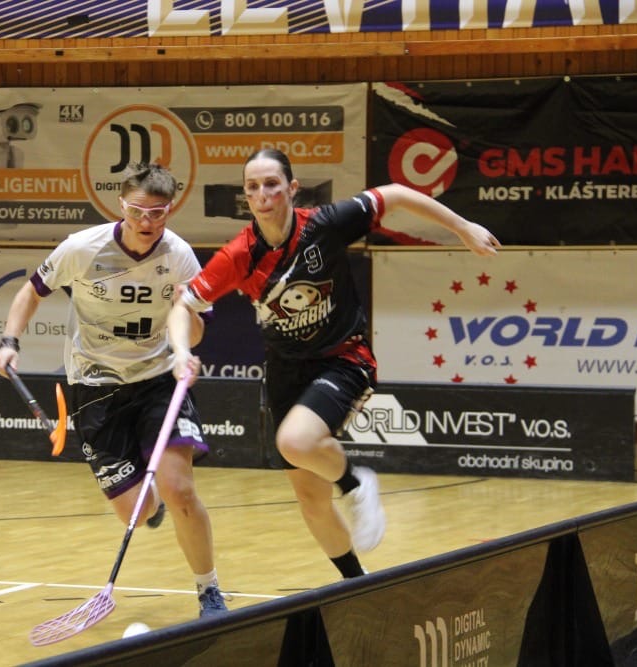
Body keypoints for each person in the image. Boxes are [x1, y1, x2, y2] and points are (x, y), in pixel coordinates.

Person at [169, 148, 501, 580]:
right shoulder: (239, 255)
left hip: (344, 359)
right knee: (310, 497)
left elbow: (397, 193)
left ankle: (355, 483)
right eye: (252, 187)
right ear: (245, 196)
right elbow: (183, 306)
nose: (262, 194)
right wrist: (181, 351)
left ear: (292, 188)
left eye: (272, 184)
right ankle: (355, 584)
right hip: (286, 371)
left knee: (295, 442)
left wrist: (462, 228)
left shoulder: (324, 225)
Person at [0, 162, 229, 617]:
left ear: (170, 210)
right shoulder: (82, 247)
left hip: (158, 380)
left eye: (156, 213)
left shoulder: (180, 257)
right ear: (121, 205)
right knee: (136, 513)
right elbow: (32, 292)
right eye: (137, 211)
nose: (146, 222)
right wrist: (9, 341)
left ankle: (208, 591)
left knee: (179, 488)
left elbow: (196, 328)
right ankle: (150, 499)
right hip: (95, 385)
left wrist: (184, 336)